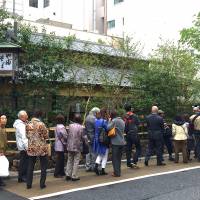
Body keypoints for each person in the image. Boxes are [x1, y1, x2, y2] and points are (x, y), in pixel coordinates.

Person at [26, 110, 49, 189]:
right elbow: (46, 136)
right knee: (43, 166)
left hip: (31, 147)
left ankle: (28, 184)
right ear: (40, 115)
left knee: (30, 166)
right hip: (41, 148)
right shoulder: (41, 124)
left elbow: (27, 136)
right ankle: (42, 184)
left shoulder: (28, 124)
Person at [65, 114, 87, 181]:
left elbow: (67, 135)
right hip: (77, 146)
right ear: (80, 120)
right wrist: (87, 143)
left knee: (69, 160)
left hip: (69, 145)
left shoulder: (70, 126)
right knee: (76, 161)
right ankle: (74, 176)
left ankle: (68, 174)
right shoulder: (81, 127)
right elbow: (84, 137)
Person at [108, 110, 125, 177]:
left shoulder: (114, 121)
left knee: (115, 158)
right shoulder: (122, 121)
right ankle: (118, 171)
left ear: (112, 115)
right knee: (119, 158)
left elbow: (108, 127)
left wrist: (109, 121)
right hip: (122, 142)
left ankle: (116, 173)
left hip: (115, 142)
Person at [13, 110, 29, 183]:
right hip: (23, 146)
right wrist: (27, 147)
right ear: (22, 117)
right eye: (26, 116)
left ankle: (21, 177)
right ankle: (22, 177)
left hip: (21, 146)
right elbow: (24, 137)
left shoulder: (20, 124)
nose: (27, 117)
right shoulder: (21, 125)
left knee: (23, 161)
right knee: (24, 162)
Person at [124, 103, 141, 168]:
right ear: (131, 108)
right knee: (138, 147)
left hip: (127, 134)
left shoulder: (124, 116)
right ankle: (134, 160)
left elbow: (124, 125)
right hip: (134, 133)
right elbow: (138, 124)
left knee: (128, 149)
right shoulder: (134, 116)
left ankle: (128, 162)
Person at [93, 108, 109, 176]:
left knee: (100, 153)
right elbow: (108, 129)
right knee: (104, 154)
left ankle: (96, 166)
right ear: (105, 114)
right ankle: (101, 169)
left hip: (97, 139)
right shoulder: (104, 122)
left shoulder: (96, 121)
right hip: (103, 140)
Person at [85, 107, 100, 172]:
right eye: (98, 113)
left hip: (87, 137)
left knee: (88, 153)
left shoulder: (87, 117)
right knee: (94, 153)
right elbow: (97, 128)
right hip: (93, 137)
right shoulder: (93, 119)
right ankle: (93, 166)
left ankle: (88, 166)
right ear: (96, 112)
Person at [0, 115, 7, 187]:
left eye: (5, 118)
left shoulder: (3, 128)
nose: (4, 120)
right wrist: (1, 150)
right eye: (2, 118)